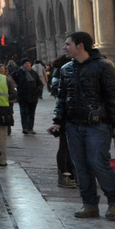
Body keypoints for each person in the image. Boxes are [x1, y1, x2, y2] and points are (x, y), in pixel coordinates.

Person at [49, 31, 115, 219]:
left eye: (68, 44)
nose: (64, 47)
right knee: (80, 166)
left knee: (97, 162)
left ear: (80, 46)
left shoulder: (103, 67)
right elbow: (62, 98)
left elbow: (114, 98)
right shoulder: (66, 69)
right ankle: (89, 204)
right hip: (73, 125)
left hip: (97, 124)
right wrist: (57, 121)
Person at [47, 53, 77, 188]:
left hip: (68, 112)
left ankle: (70, 173)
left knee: (68, 146)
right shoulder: (63, 72)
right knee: (65, 145)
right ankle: (65, 174)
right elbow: (60, 94)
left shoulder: (58, 72)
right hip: (67, 113)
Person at [11, 58, 43, 133]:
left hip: (33, 96)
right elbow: (11, 82)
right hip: (23, 96)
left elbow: (40, 83)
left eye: (29, 63)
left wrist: (37, 89)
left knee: (32, 113)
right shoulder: (17, 73)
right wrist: (16, 89)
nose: (28, 64)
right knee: (24, 112)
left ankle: (31, 128)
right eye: (26, 63)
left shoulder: (33, 73)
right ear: (23, 64)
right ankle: (25, 128)